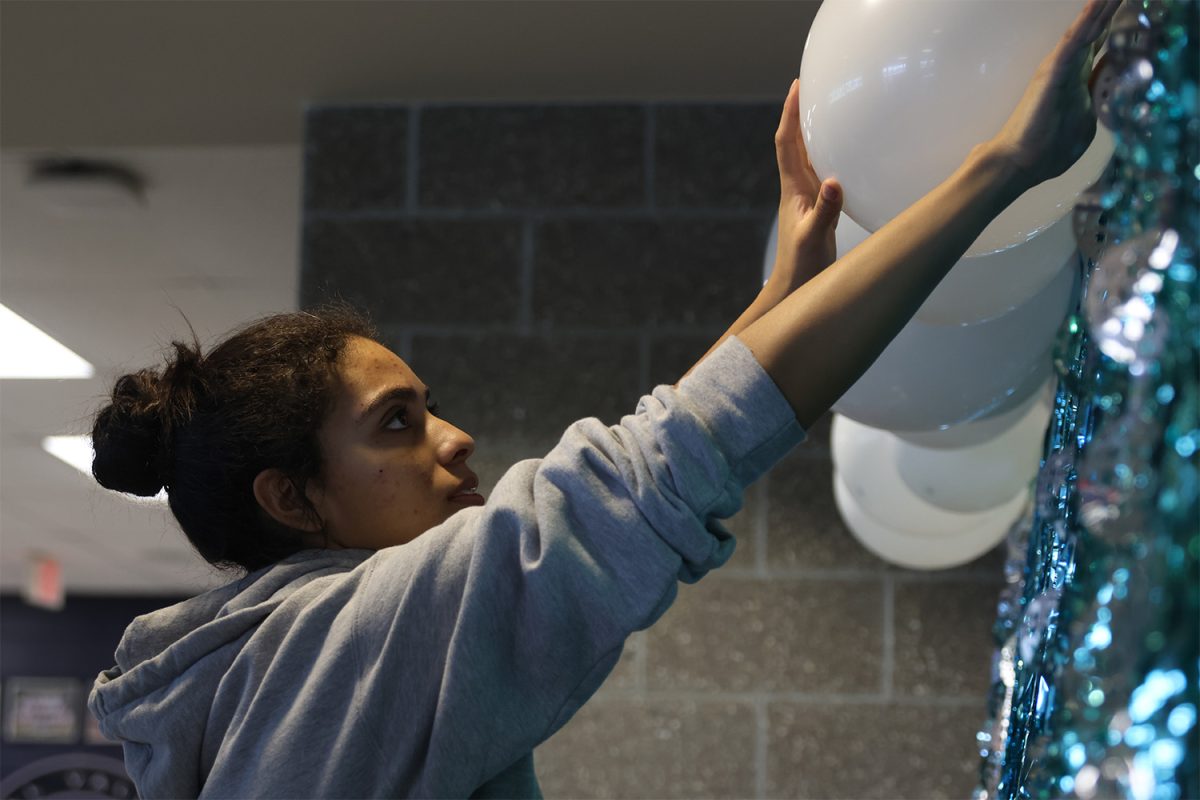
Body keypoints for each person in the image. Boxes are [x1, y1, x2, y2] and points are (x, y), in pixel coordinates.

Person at [86, 2, 1119, 797]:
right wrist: (1003, 165)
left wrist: (778, 300)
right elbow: (644, 477)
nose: (455, 438)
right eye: (396, 423)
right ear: (293, 498)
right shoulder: (335, 646)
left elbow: (644, 464)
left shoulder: (271, 670)